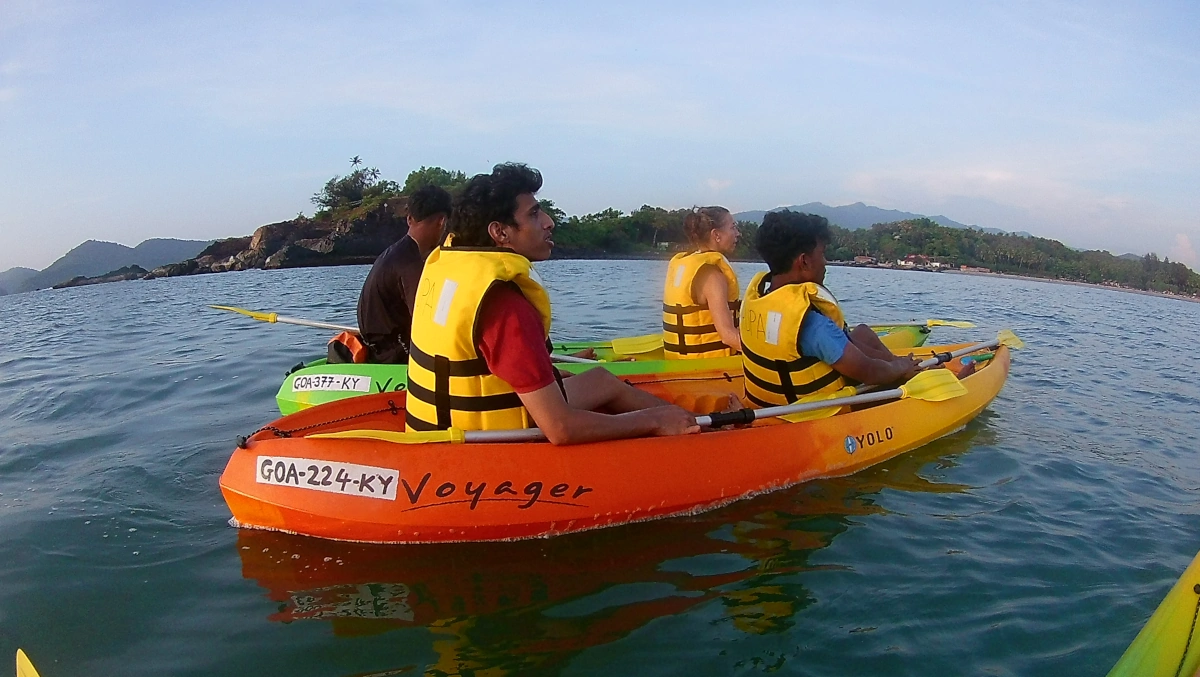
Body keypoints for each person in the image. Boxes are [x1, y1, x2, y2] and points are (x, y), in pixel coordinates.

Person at [404, 163, 699, 445]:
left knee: (601, 379)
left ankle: (695, 421)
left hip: (442, 425)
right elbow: (561, 428)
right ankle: (694, 429)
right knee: (652, 415)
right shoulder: (505, 304)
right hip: (484, 444)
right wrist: (653, 420)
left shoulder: (454, 272)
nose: (549, 222)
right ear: (500, 232)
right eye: (534, 215)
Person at [739, 210, 920, 407]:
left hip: (766, 402)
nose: (825, 263)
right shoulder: (814, 325)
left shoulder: (761, 298)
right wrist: (900, 368)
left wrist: (893, 363)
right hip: (809, 413)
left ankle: (901, 365)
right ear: (804, 261)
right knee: (895, 376)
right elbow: (868, 371)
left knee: (863, 334)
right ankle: (909, 373)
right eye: (822, 254)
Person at [348, 184, 452, 364]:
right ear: (442, 221)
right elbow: (426, 319)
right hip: (394, 354)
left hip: (379, 347)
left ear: (409, 219)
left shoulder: (394, 253)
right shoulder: (410, 262)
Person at [662, 206, 742, 359]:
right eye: (733, 227)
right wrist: (766, 357)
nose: (737, 233)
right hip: (708, 366)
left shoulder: (687, 263)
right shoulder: (712, 275)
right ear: (716, 235)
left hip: (680, 360)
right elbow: (727, 336)